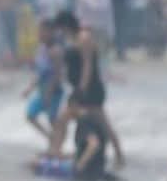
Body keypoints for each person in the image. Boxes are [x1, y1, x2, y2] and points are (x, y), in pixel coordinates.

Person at [48, 11, 120, 169]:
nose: (60, 32)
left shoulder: (84, 38)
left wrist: (81, 90)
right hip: (78, 88)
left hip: (90, 90)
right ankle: (55, 152)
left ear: (66, 25)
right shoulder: (71, 40)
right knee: (62, 120)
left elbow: (87, 66)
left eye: (61, 28)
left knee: (102, 122)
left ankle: (119, 155)